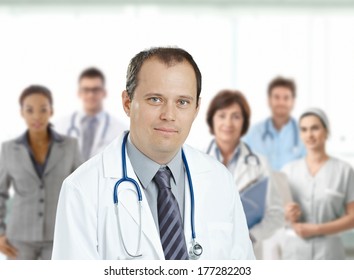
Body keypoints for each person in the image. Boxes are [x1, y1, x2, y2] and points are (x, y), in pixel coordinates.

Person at [52, 47, 255, 260]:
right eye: (155, 99)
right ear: (127, 103)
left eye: (182, 102)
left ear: (196, 109)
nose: (169, 115)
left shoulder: (219, 179)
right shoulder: (82, 190)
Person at [0, 85, 81, 260]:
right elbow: (1, 193)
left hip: (58, 234)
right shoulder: (8, 149)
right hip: (19, 237)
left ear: (51, 111)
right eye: (30, 110)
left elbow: (82, 191)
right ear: (22, 112)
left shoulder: (70, 146)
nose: (36, 116)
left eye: (43, 109)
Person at [205, 89, 283, 259]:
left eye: (236, 116)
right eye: (222, 115)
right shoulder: (195, 161)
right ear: (212, 120)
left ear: (244, 123)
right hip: (207, 250)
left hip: (248, 250)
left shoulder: (260, 164)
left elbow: (276, 213)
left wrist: (251, 235)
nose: (228, 123)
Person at [281, 108, 354, 259]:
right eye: (304, 129)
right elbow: (273, 213)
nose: (309, 135)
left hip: (329, 252)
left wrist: (317, 229)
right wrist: (286, 213)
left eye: (315, 128)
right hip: (294, 251)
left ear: (326, 132)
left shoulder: (344, 171)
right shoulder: (288, 171)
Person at [55, 67, 126, 161]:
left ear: (104, 93)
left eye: (95, 90)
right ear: (79, 93)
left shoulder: (119, 130)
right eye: (86, 90)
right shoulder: (61, 126)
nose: (91, 95)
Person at [243, 76, 306, 171]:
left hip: (295, 186)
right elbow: (243, 163)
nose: (281, 102)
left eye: (286, 98)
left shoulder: (305, 133)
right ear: (268, 100)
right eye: (276, 97)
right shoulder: (254, 133)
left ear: (293, 102)